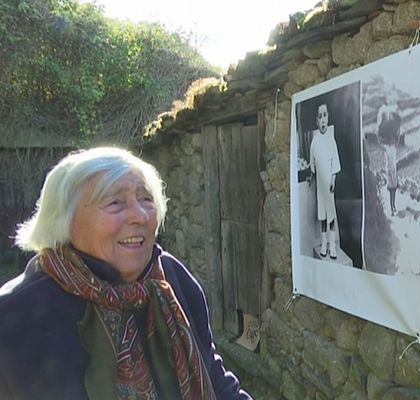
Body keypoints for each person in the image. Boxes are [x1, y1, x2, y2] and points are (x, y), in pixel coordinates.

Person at [0, 147, 253, 399]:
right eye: (115, 203)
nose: (140, 216)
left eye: (146, 199)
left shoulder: (172, 280)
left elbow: (216, 382)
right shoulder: (16, 314)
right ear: (63, 220)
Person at [310, 103, 341, 260]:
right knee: (322, 215)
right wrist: (311, 176)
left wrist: (333, 180)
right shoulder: (314, 142)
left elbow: (335, 163)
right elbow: (312, 164)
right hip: (319, 188)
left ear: (328, 117)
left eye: (325, 116)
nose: (323, 119)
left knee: (331, 215)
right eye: (320, 117)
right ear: (317, 120)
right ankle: (323, 244)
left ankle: (333, 246)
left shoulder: (331, 140)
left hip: (329, 186)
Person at [377, 90, 402, 216]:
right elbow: (380, 132)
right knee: (391, 179)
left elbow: (397, 132)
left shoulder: (392, 113)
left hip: (390, 147)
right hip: (388, 148)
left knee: (393, 179)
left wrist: (394, 139)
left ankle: (393, 206)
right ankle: (392, 207)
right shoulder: (384, 112)